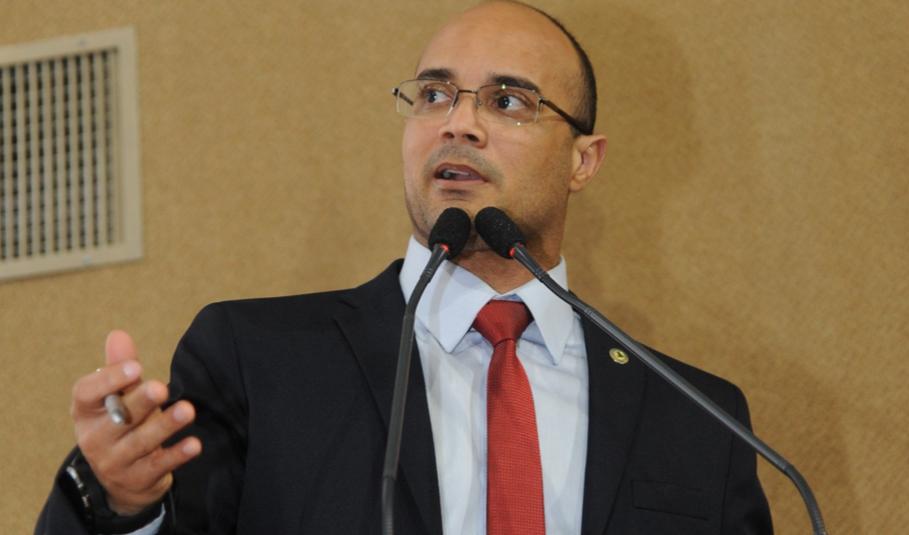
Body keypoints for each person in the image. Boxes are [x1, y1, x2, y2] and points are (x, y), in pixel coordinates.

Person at [37, 1, 773, 533]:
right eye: (434, 94)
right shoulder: (258, 361)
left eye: (507, 100)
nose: (459, 122)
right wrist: (119, 503)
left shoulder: (697, 417)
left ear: (584, 161)